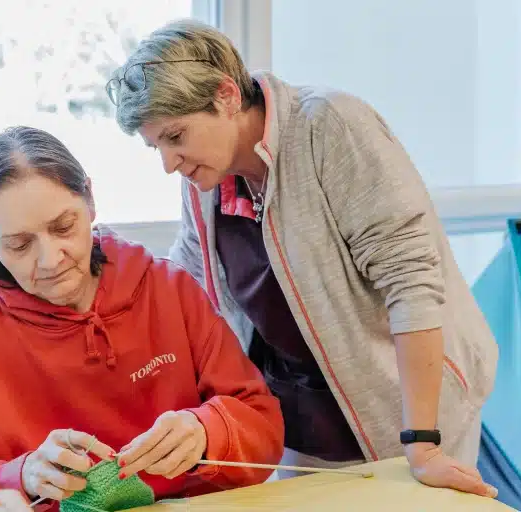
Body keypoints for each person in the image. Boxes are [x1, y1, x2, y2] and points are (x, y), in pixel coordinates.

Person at [106, 19, 500, 498]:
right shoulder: (206, 179)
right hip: (304, 421)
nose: (169, 163)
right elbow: (184, 281)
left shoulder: (328, 127)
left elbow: (411, 283)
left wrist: (423, 444)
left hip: (411, 415)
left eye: (175, 136)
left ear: (227, 96)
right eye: (155, 147)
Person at [0, 126, 284, 512]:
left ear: (90, 200)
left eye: (63, 227)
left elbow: (263, 427)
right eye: (19, 244)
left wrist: (208, 430)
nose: (51, 259)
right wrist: (20, 476)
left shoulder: (169, 289)